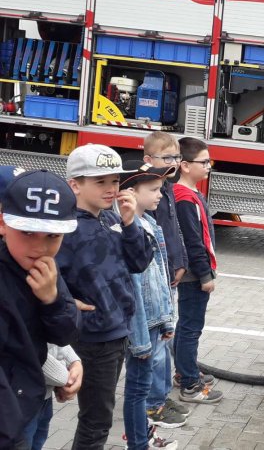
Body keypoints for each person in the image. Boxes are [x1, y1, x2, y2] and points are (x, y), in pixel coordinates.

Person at [56, 144, 155, 450]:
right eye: (100, 182)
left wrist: (128, 223)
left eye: (114, 181)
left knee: (98, 417)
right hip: (92, 336)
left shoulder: (112, 219)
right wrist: (64, 302)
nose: (111, 189)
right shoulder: (64, 227)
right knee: (96, 420)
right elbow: (40, 271)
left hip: (116, 331)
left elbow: (139, 262)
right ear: (75, 184)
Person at [0, 169, 80, 448]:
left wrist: (52, 299)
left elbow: (66, 333)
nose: (39, 247)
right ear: (2, 223)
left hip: (34, 400)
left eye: (52, 237)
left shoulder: (48, 271)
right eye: (28, 232)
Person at [120, 160, 181, 450]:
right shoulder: (127, 227)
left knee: (142, 387)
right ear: (130, 193)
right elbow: (134, 284)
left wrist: (167, 320)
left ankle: (143, 436)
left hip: (155, 321)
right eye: (154, 189)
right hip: (142, 325)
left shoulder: (150, 223)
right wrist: (144, 336)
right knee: (137, 389)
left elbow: (160, 278)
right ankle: (138, 442)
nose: (160, 194)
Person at [142, 133, 198, 426]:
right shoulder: (147, 192)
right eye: (168, 158)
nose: (174, 163)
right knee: (155, 347)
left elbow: (173, 233)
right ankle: (152, 404)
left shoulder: (167, 188)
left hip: (169, 277)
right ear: (148, 161)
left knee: (165, 340)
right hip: (155, 282)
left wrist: (181, 263)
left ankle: (160, 397)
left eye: (177, 158)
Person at [173, 137, 223, 404]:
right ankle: (190, 384)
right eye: (204, 162)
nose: (208, 166)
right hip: (194, 275)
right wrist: (205, 275)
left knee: (187, 325)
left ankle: (185, 371)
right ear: (184, 165)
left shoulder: (190, 195)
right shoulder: (183, 198)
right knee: (191, 327)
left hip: (194, 273)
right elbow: (193, 241)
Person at [22, 345, 82, 450]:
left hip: (43, 396)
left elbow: (54, 337)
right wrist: (67, 377)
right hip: (21, 398)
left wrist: (73, 361)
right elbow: (27, 349)